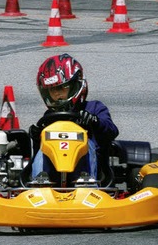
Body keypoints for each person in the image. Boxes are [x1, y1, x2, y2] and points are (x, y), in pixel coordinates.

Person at [29, 53, 119, 185]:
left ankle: (87, 184)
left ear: (76, 85)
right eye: (52, 90)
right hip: (53, 174)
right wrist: (37, 137)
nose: (56, 93)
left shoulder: (94, 108)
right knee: (44, 147)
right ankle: (40, 184)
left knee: (86, 144)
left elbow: (112, 132)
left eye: (61, 87)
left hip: (91, 167)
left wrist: (95, 122)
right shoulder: (48, 116)